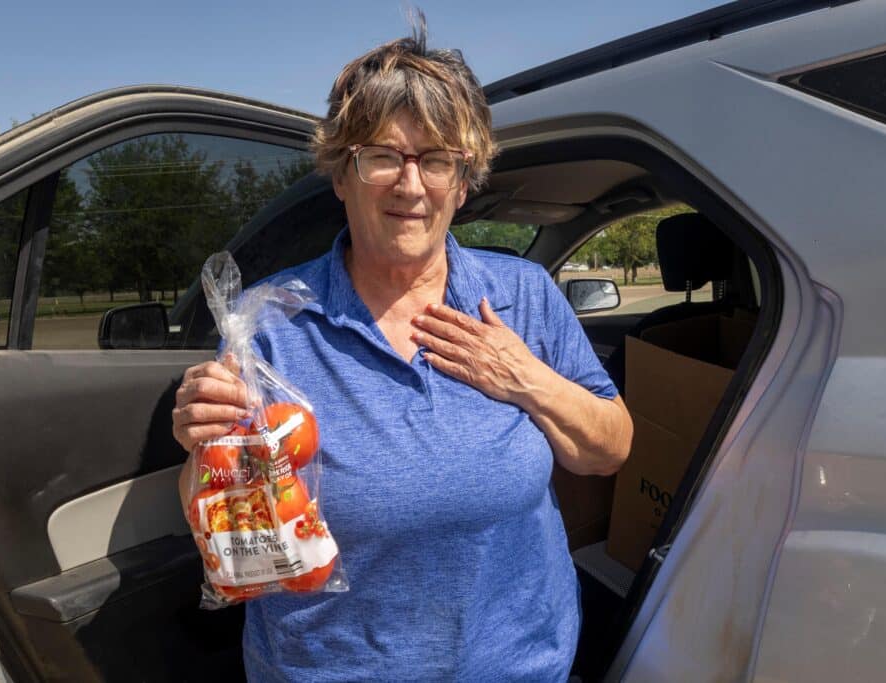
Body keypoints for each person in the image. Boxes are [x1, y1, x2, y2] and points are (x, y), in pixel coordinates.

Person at [173, 20, 633, 682]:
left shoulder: (524, 296)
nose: (410, 185)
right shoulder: (272, 319)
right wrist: (200, 445)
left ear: (464, 180)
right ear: (340, 174)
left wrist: (526, 378)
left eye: (437, 159)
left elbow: (610, 447)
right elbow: (224, 531)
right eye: (382, 155)